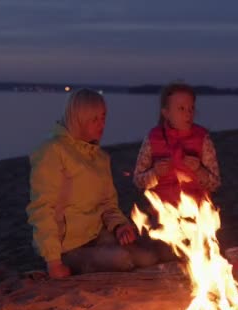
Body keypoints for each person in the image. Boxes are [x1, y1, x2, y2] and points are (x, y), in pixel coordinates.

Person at [27, 88, 158, 279]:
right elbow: (41, 209)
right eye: (94, 119)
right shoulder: (53, 151)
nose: (102, 124)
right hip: (67, 248)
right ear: (78, 118)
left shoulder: (100, 157)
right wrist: (53, 262)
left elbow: (108, 204)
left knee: (148, 258)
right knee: (122, 260)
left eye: (104, 117)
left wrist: (120, 226)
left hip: (98, 236)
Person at [133, 82, 221, 205]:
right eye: (181, 108)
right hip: (162, 212)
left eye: (191, 108)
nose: (188, 113)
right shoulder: (153, 138)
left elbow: (215, 184)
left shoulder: (202, 139)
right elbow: (138, 181)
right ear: (166, 113)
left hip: (196, 211)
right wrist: (155, 173)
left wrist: (199, 170)